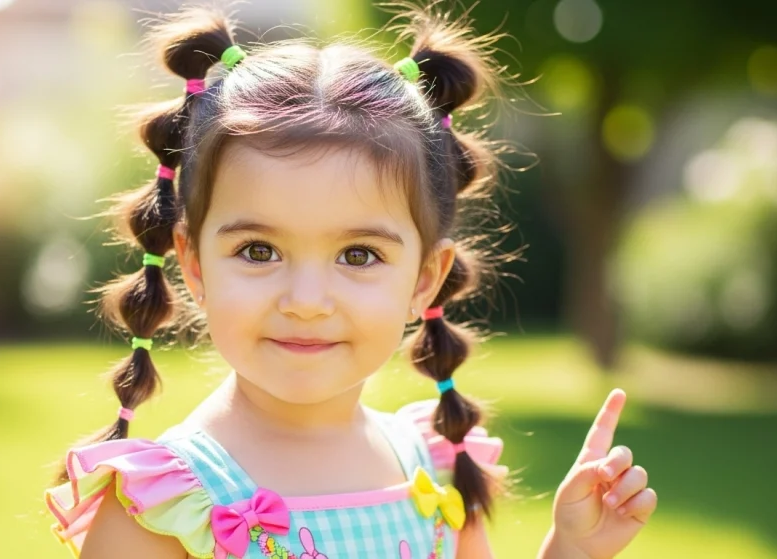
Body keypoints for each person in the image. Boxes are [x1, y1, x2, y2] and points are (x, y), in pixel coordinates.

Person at [44, 4, 657, 558]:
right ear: (194, 265)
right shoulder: (163, 508)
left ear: (425, 279)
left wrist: (571, 550)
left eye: (359, 255)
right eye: (259, 250)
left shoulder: (437, 469)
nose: (306, 302)